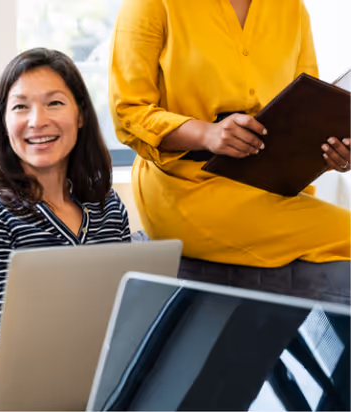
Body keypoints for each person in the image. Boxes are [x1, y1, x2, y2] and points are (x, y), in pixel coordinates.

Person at [108, 0, 350, 280]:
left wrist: (333, 153)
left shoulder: (291, 8)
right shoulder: (151, 5)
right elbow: (128, 112)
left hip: (274, 185)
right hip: (186, 187)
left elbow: (306, 111)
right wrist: (205, 134)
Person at [0, 48, 131, 350]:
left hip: (119, 369)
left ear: (80, 115)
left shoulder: (109, 207)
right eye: (21, 107)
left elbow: (131, 317)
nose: (37, 121)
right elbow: (9, 343)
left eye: (54, 103)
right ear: (4, 122)